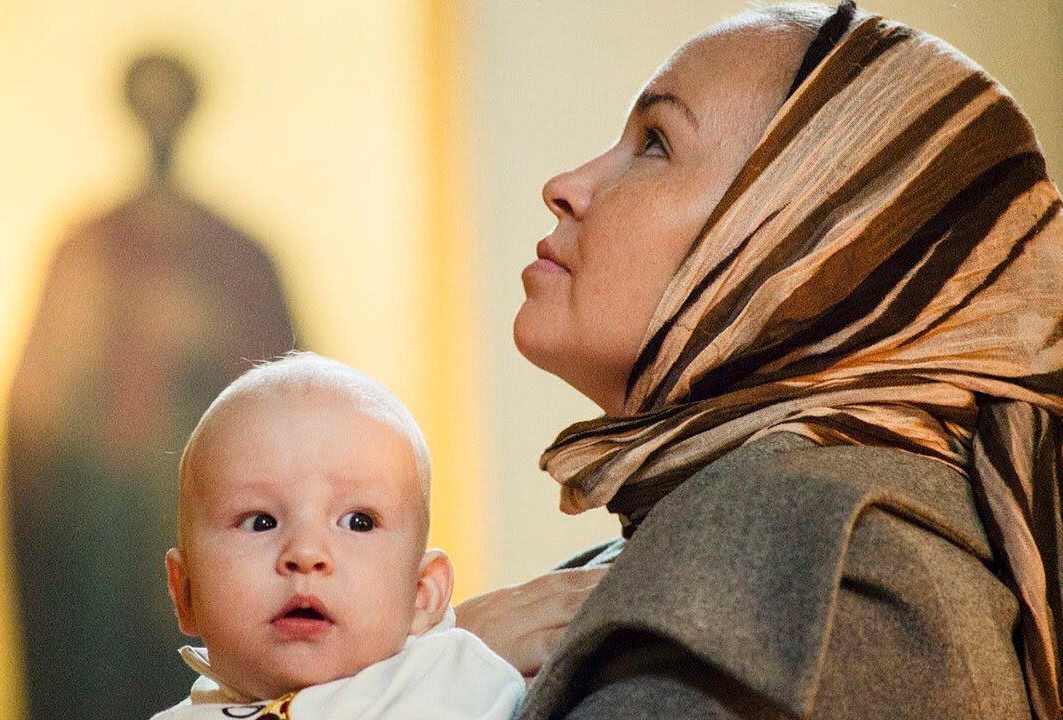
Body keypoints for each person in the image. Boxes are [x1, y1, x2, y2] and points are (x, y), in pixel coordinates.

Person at [457, 2, 1063, 718]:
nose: (565, 185)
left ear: (810, 252)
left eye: (655, 143)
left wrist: (426, 664)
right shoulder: (776, 542)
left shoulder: (808, 565)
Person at [6, 52, 296, 720]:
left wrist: (200, 344)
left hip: (211, 511)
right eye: (149, 106)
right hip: (99, 528)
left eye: (172, 106)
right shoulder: (87, 249)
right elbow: (36, 421)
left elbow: (292, 403)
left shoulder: (237, 254)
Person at [153, 352, 524, 719]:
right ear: (186, 593)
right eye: (260, 522)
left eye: (358, 522)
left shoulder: (451, 682)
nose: (305, 553)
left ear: (421, 594)